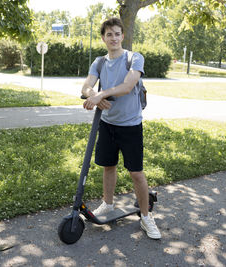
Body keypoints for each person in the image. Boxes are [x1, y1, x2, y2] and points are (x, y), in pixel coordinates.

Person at [81, 17, 161, 240]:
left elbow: (127, 86)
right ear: (103, 38)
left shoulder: (134, 58)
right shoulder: (99, 62)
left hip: (130, 125)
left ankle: (146, 217)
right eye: (109, 34)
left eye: (117, 33)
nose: (113, 38)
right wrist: (93, 95)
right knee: (108, 166)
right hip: (107, 123)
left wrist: (100, 94)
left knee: (136, 172)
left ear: (123, 36)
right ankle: (108, 204)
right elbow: (86, 86)